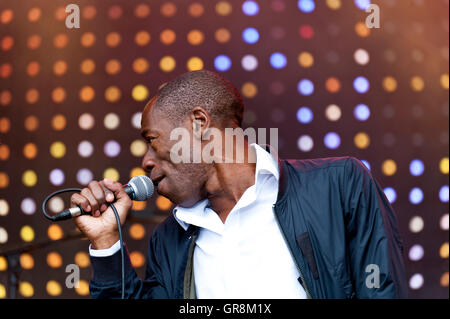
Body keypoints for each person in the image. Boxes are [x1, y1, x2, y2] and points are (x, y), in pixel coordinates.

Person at [71, 70, 407, 299]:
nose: (145, 161)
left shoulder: (339, 185)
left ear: (199, 123)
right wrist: (106, 242)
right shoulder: (170, 240)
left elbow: (382, 289)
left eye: (151, 139)